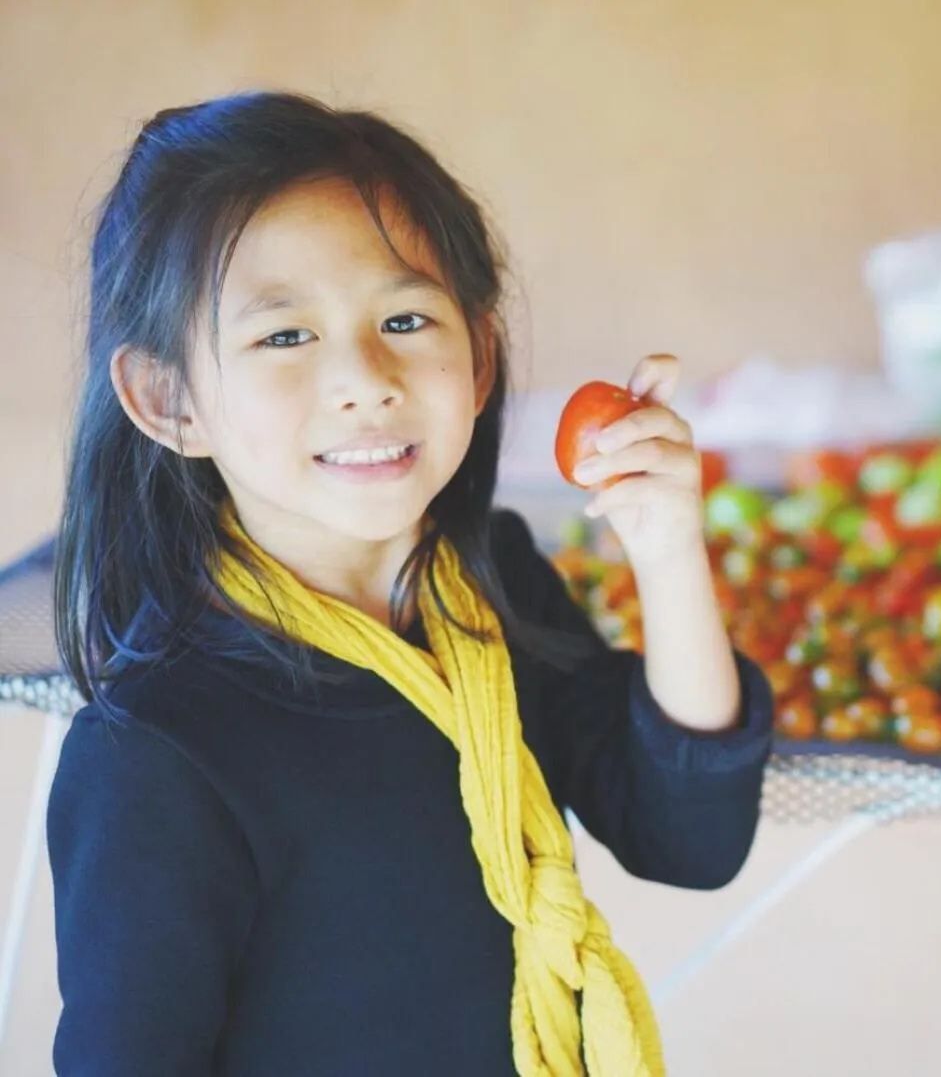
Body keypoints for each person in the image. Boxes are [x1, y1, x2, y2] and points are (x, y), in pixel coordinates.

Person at [46, 90, 774, 1077]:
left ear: (476, 358)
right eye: (284, 336)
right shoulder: (160, 749)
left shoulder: (489, 585)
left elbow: (688, 838)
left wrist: (668, 552)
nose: (364, 376)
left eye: (403, 316)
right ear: (168, 400)